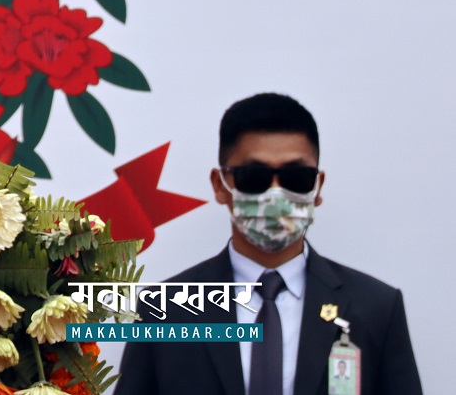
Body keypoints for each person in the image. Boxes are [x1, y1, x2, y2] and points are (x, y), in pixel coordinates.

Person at [115, 93, 422, 395]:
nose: (275, 194)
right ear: (220, 186)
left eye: (296, 177)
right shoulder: (164, 309)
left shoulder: (376, 307)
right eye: (254, 176)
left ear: (317, 187)